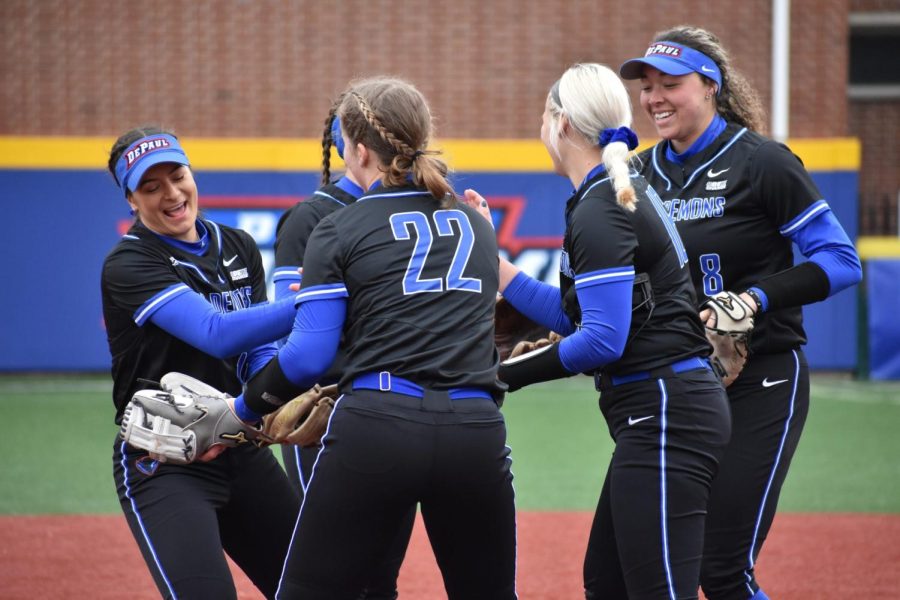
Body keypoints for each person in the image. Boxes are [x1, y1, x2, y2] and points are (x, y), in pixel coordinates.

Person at [231, 77, 517, 599]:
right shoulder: (476, 222)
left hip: (380, 423)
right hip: (476, 429)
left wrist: (243, 411)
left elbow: (308, 354)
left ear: (360, 150)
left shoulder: (339, 225)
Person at [465, 62, 732, 600]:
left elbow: (602, 342)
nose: (541, 126)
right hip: (660, 410)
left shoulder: (602, 206)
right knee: (607, 584)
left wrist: (496, 376)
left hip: (665, 412)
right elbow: (577, 319)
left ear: (561, 123)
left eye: (544, 115)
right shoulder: (609, 192)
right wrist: (496, 261)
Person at [619, 25, 863, 600]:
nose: (654, 97)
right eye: (647, 85)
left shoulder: (763, 162)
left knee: (722, 568)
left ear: (710, 86)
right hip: (681, 386)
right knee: (658, 562)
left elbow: (842, 261)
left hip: (763, 377)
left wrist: (755, 298)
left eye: (671, 84)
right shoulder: (638, 174)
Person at [102, 126, 301, 599]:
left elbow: (255, 349)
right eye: (151, 187)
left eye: (178, 176)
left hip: (239, 446)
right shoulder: (129, 263)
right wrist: (314, 303)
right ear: (131, 199)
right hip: (165, 462)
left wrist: (264, 403)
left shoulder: (236, 245)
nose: (171, 194)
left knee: (316, 587)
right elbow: (217, 333)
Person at [272, 102, 415, 600]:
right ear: (352, 148)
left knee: (382, 577)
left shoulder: (417, 209)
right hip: (329, 407)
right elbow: (291, 324)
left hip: (402, 411)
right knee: (336, 576)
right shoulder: (309, 219)